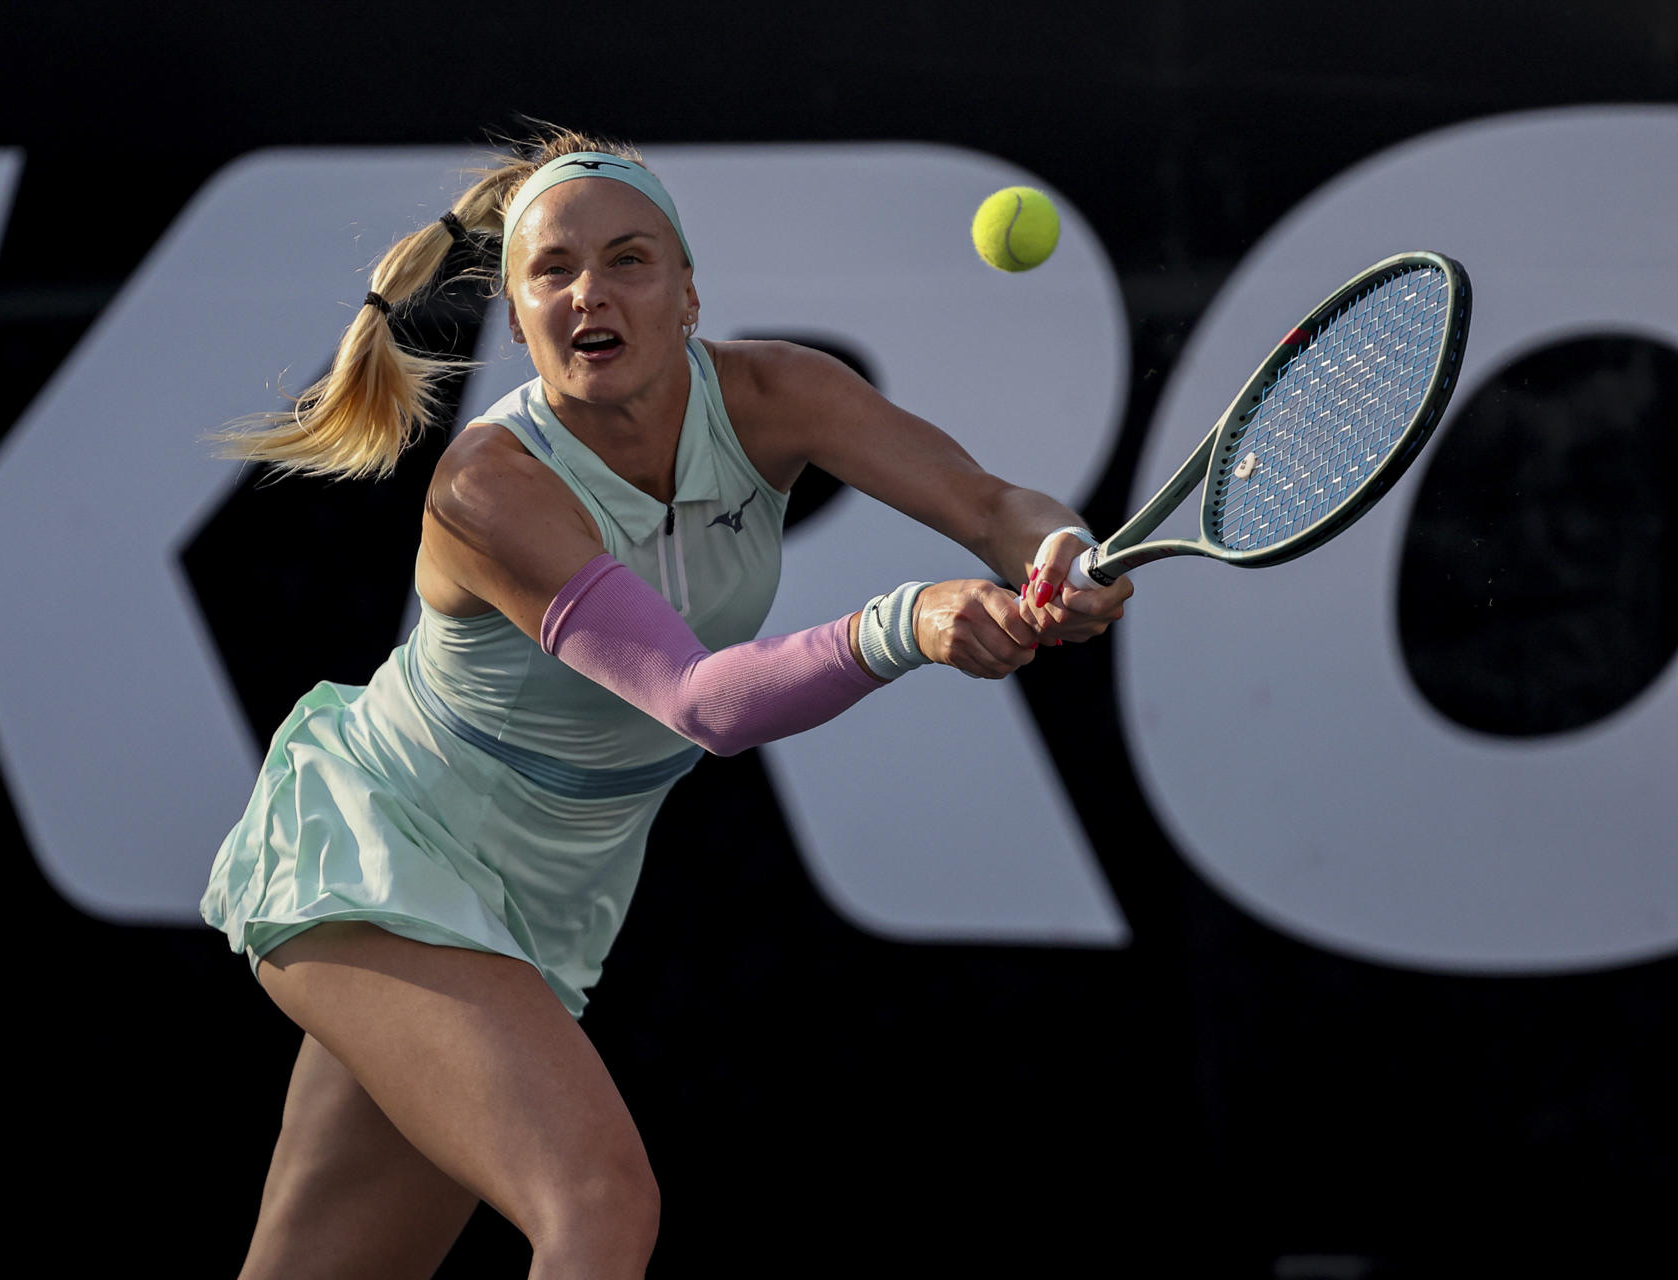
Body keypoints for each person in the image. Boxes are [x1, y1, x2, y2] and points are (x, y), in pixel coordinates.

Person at [201, 125, 1131, 1280]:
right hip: (384, 848)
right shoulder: (489, 487)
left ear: (689, 293)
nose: (591, 290)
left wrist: (1060, 553)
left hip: (547, 896)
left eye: (631, 259)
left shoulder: (780, 393)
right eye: (553, 270)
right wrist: (911, 623)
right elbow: (699, 700)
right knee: (597, 1203)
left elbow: (990, 503)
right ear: (522, 314)